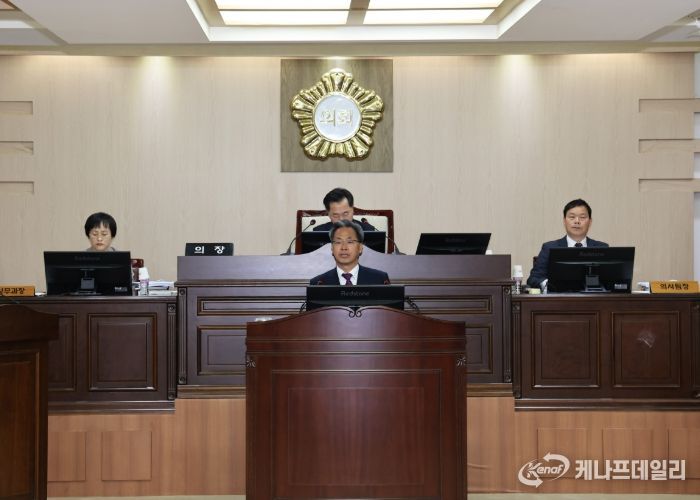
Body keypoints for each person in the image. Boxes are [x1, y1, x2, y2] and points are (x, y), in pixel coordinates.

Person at [527, 199, 608, 289]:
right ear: (564, 221)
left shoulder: (602, 248)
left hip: (593, 297)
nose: (577, 221)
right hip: (560, 297)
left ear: (590, 221)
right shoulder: (549, 248)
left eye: (582, 217)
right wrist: (550, 286)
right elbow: (533, 278)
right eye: (572, 217)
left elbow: (611, 279)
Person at [310, 220, 389, 285]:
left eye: (350, 242)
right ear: (332, 248)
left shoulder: (379, 280)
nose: (344, 248)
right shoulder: (318, 283)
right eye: (338, 242)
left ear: (360, 248)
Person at [313, 187, 377, 232]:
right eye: (336, 215)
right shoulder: (318, 232)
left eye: (345, 214)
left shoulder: (368, 230)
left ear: (353, 210)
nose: (341, 219)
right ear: (328, 214)